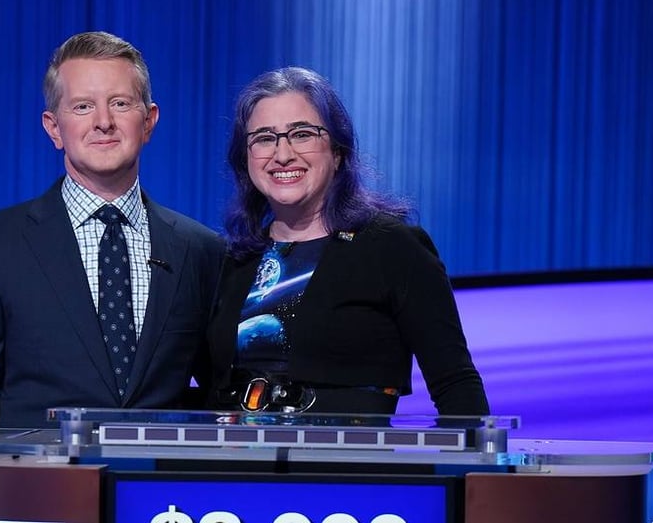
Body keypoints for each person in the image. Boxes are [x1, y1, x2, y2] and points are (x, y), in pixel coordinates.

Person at [0, 31, 224, 479]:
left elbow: (220, 395)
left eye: (121, 104)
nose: (103, 121)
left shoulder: (201, 250)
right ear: (53, 127)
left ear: (150, 120)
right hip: (34, 503)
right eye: (83, 106)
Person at [207, 67, 489, 416]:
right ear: (245, 159)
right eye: (264, 138)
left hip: (346, 464)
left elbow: (454, 382)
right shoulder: (234, 258)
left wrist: (475, 464)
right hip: (237, 466)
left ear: (337, 151)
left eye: (302, 134)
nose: (282, 154)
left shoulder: (392, 247)